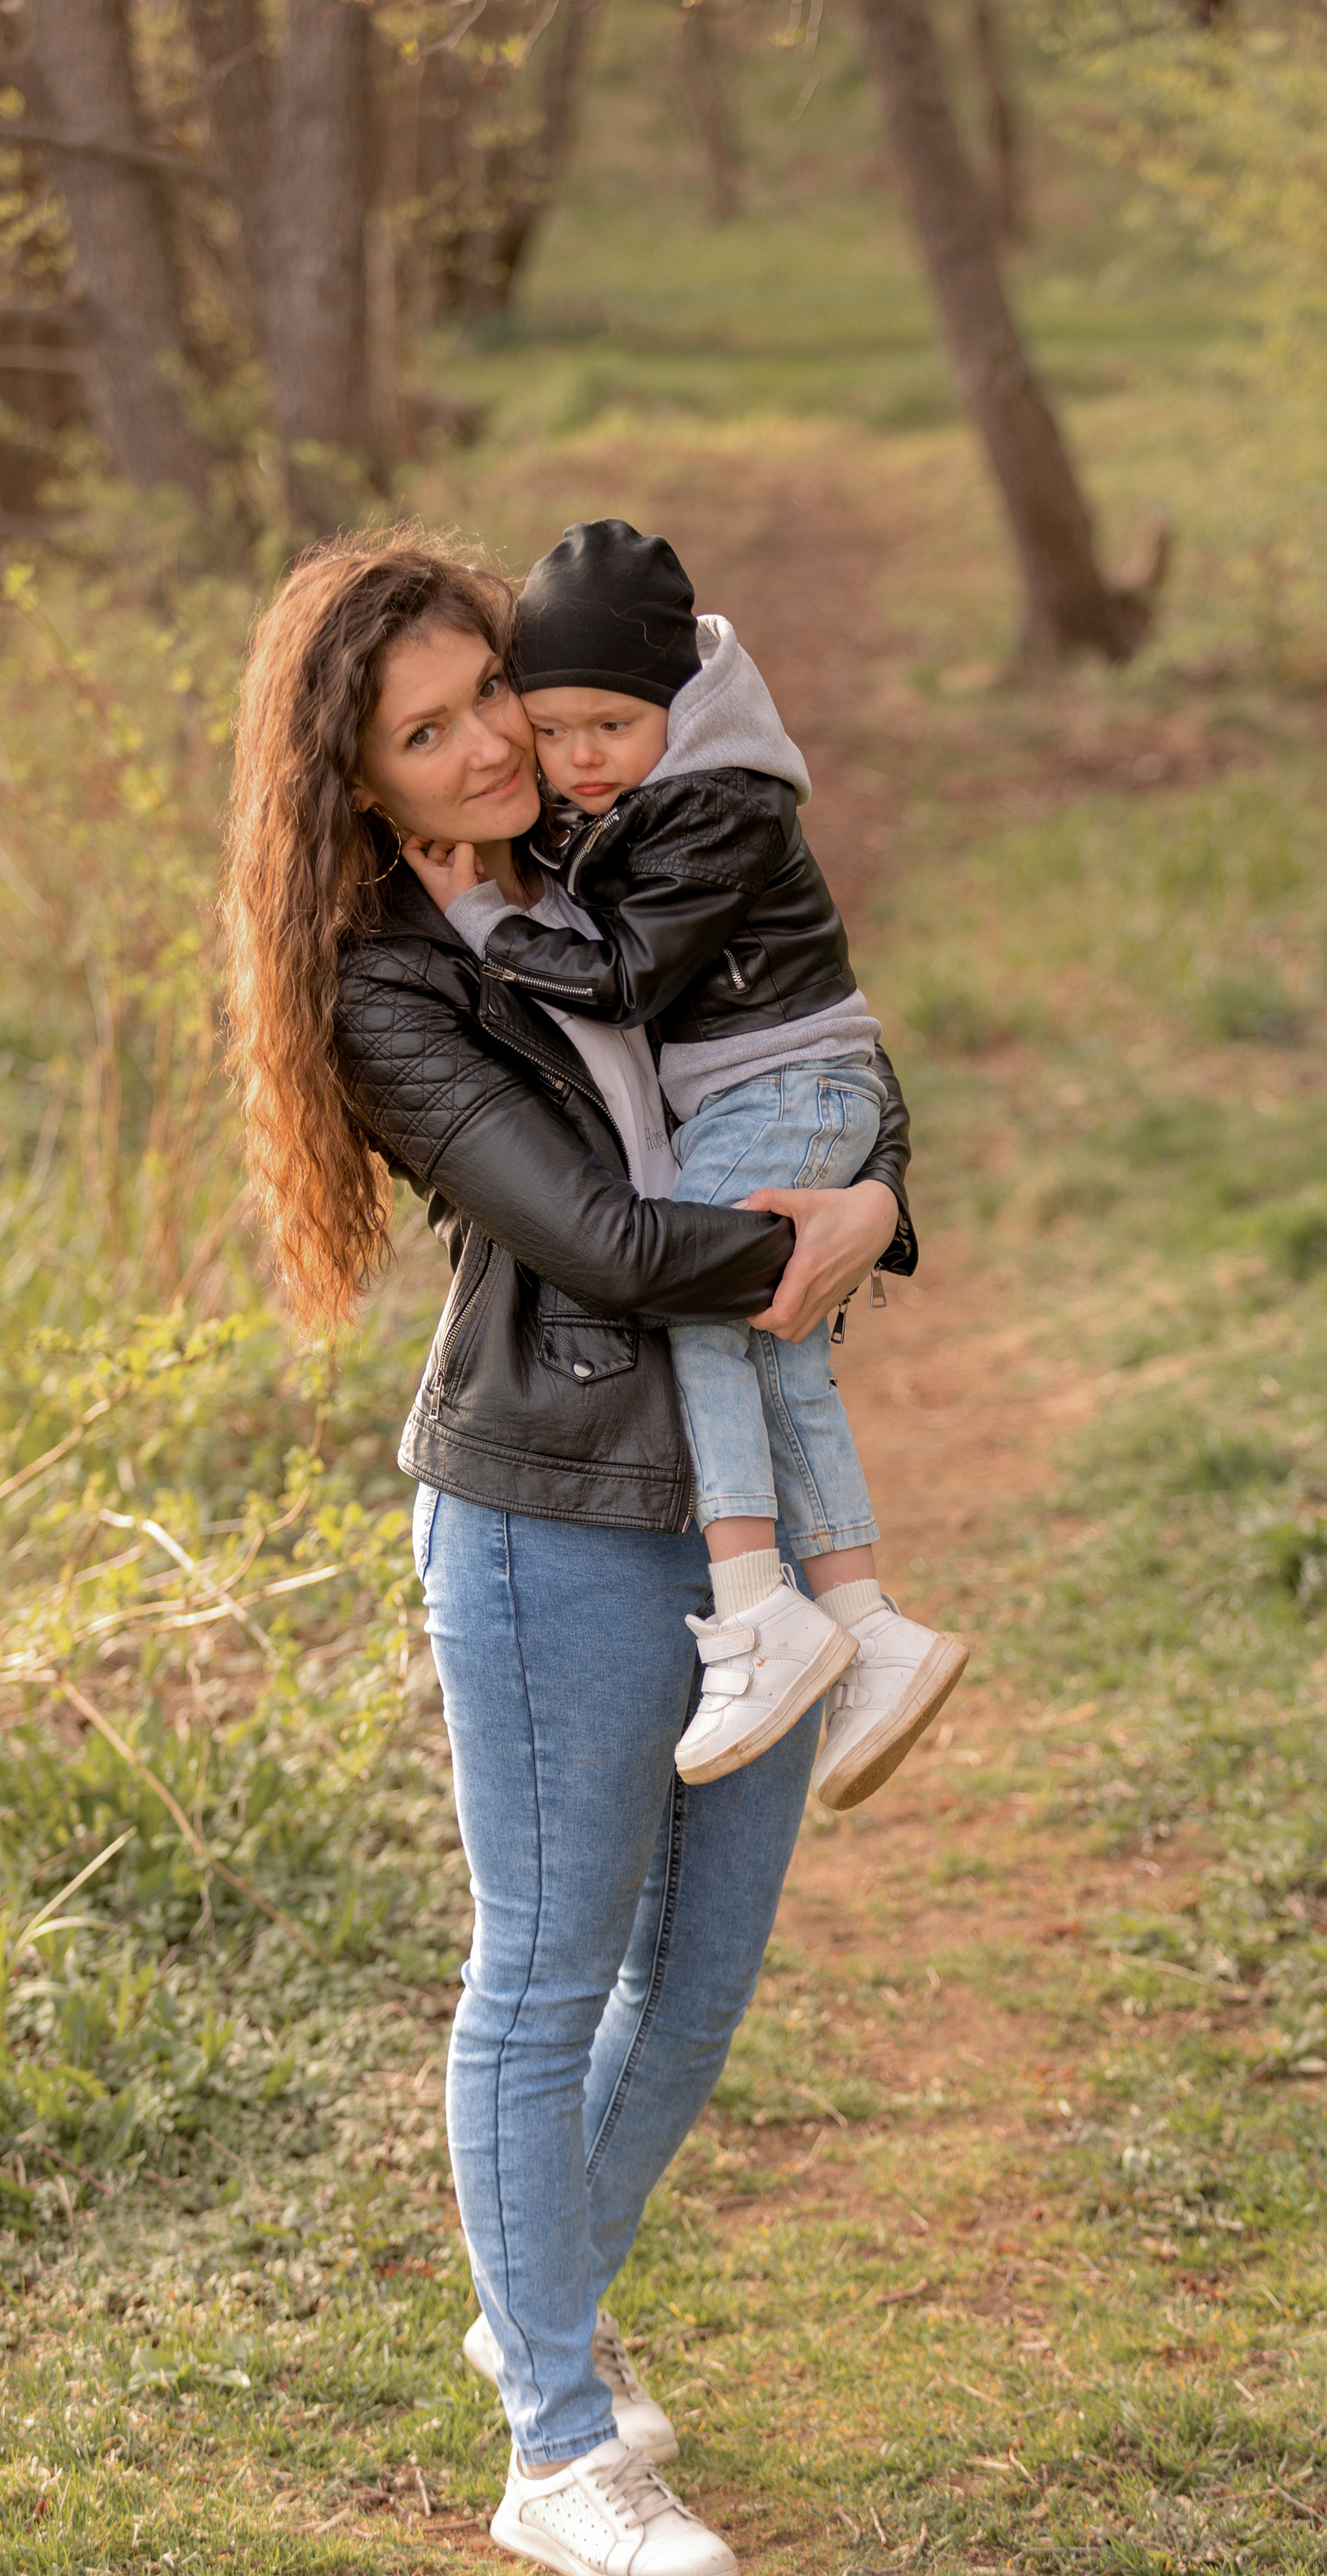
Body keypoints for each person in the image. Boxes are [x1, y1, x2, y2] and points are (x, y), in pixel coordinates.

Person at [221, 525, 915, 2576]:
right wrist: (829, 1236)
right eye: (418, 738)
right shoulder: (387, 986)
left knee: (697, 1988)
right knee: (545, 1978)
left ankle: (539, 2299)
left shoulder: (632, 849)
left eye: (483, 699)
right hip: (548, 1508)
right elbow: (607, 1239)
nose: (476, 753)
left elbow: (812, 1046)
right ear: (354, 779)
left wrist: (879, 1177)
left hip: (739, 1494)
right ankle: (552, 2438)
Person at [400, 518, 969, 1811]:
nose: (571, 758)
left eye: (608, 724)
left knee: (723, 1318)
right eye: (555, 729)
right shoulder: (624, 803)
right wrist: (865, 1217)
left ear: (680, 702)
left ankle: (760, 1602)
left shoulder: (712, 803)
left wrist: (482, 916)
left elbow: (620, 974)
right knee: (772, 1343)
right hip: (774, 1093)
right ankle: (867, 1622)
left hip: (783, 1086)